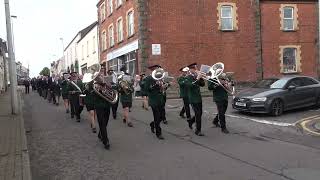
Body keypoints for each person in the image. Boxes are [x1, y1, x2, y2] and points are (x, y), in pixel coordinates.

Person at [144, 64, 166, 140]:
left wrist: (164, 86)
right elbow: (146, 89)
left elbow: (162, 88)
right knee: (157, 116)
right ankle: (158, 133)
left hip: (160, 99)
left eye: (158, 69)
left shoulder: (160, 77)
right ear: (152, 70)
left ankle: (152, 124)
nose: (157, 70)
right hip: (153, 100)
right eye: (156, 69)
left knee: (161, 117)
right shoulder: (149, 78)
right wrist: (154, 85)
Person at [185, 63, 205, 136]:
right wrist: (197, 78)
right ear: (190, 69)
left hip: (198, 98)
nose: (195, 70)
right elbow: (190, 86)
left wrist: (201, 78)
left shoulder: (197, 76)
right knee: (198, 114)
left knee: (200, 113)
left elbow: (202, 85)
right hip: (193, 99)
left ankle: (190, 121)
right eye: (193, 68)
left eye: (196, 68)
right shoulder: (188, 77)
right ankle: (198, 130)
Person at [94, 65, 112, 150]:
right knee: (101, 123)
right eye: (100, 71)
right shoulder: (93, 83)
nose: (102, 72)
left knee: (106, 122)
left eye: (103, 71)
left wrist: (109, 87)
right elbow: (89, 92)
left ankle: (100, 133)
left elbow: (112, 91)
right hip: (99, 105)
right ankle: (106, 141)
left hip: (107, 104)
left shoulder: (107, 80)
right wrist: (97, 88)